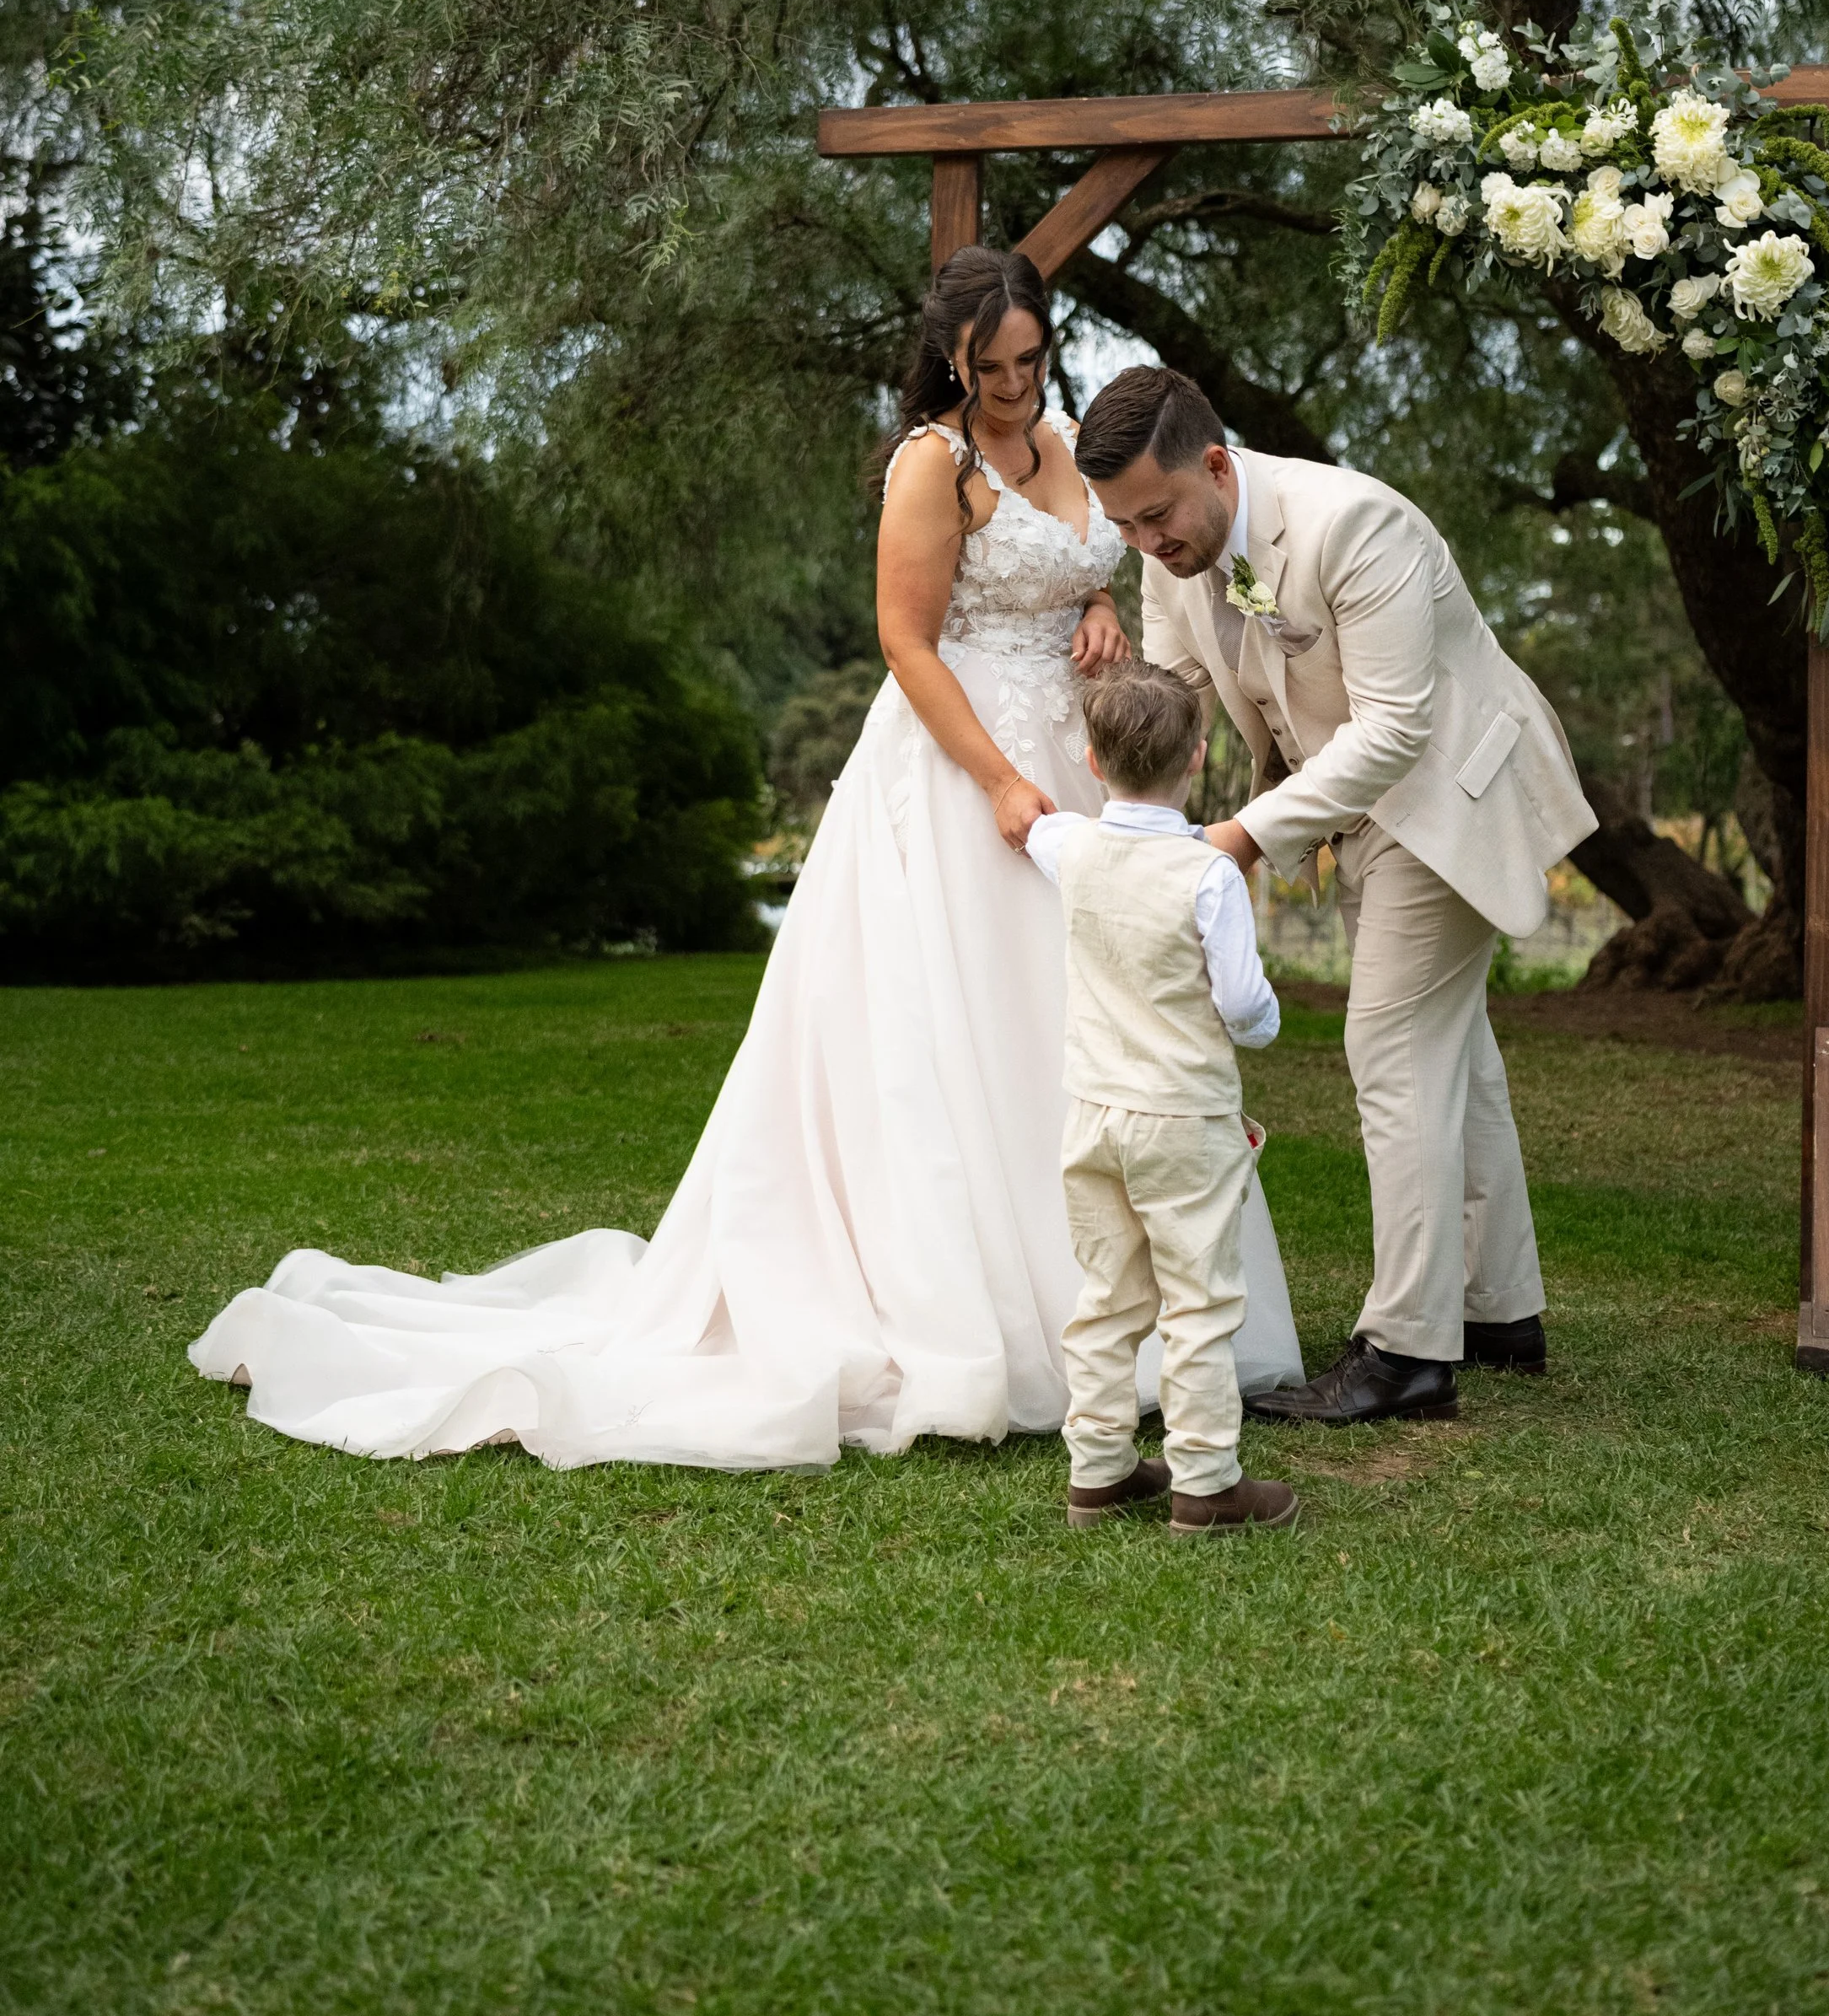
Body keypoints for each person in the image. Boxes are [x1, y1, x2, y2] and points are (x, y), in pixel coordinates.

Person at [189, 254, 1302, 1468]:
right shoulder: (934, 465)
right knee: (957, 1028)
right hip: (959, 765)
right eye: (992, 370)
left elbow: (1108, 562)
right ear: (951, 363)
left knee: (1082, 1018)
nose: (1017, 387)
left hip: (1077, 755)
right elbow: (904, 638)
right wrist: (995, 779)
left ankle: (1125, 1317)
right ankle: (973, 1315)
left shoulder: (1077, 438)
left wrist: (1102, 614)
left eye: (1032, 361)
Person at [1075, 366, 1597, 1427]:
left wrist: (1239, 840)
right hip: (1354, 809)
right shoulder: (1170, 556)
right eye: (1124, 527)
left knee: (1392, 1049)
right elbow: (1177, 699)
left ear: (1216, 466)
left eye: (1159, 514)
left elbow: (1398, 726)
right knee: (1460, 1058)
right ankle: (1499, 1310)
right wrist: (1143, 819)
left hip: (1446, 792)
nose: (1148, 543)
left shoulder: (1357, 526)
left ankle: (1405, 1350)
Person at [1025, 661, 1299, 1535]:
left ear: (1095, 762)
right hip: (1183, 1116)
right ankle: (1206, 1481)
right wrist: (1265, 1025)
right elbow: (1245, 1006)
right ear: (1199, 756)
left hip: (1091, 1113)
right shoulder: (1207, 873)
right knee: (1199, 1301)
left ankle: (1099, 1468)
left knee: (1107, 1294)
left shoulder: (1070, 846)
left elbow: (1029, 828)